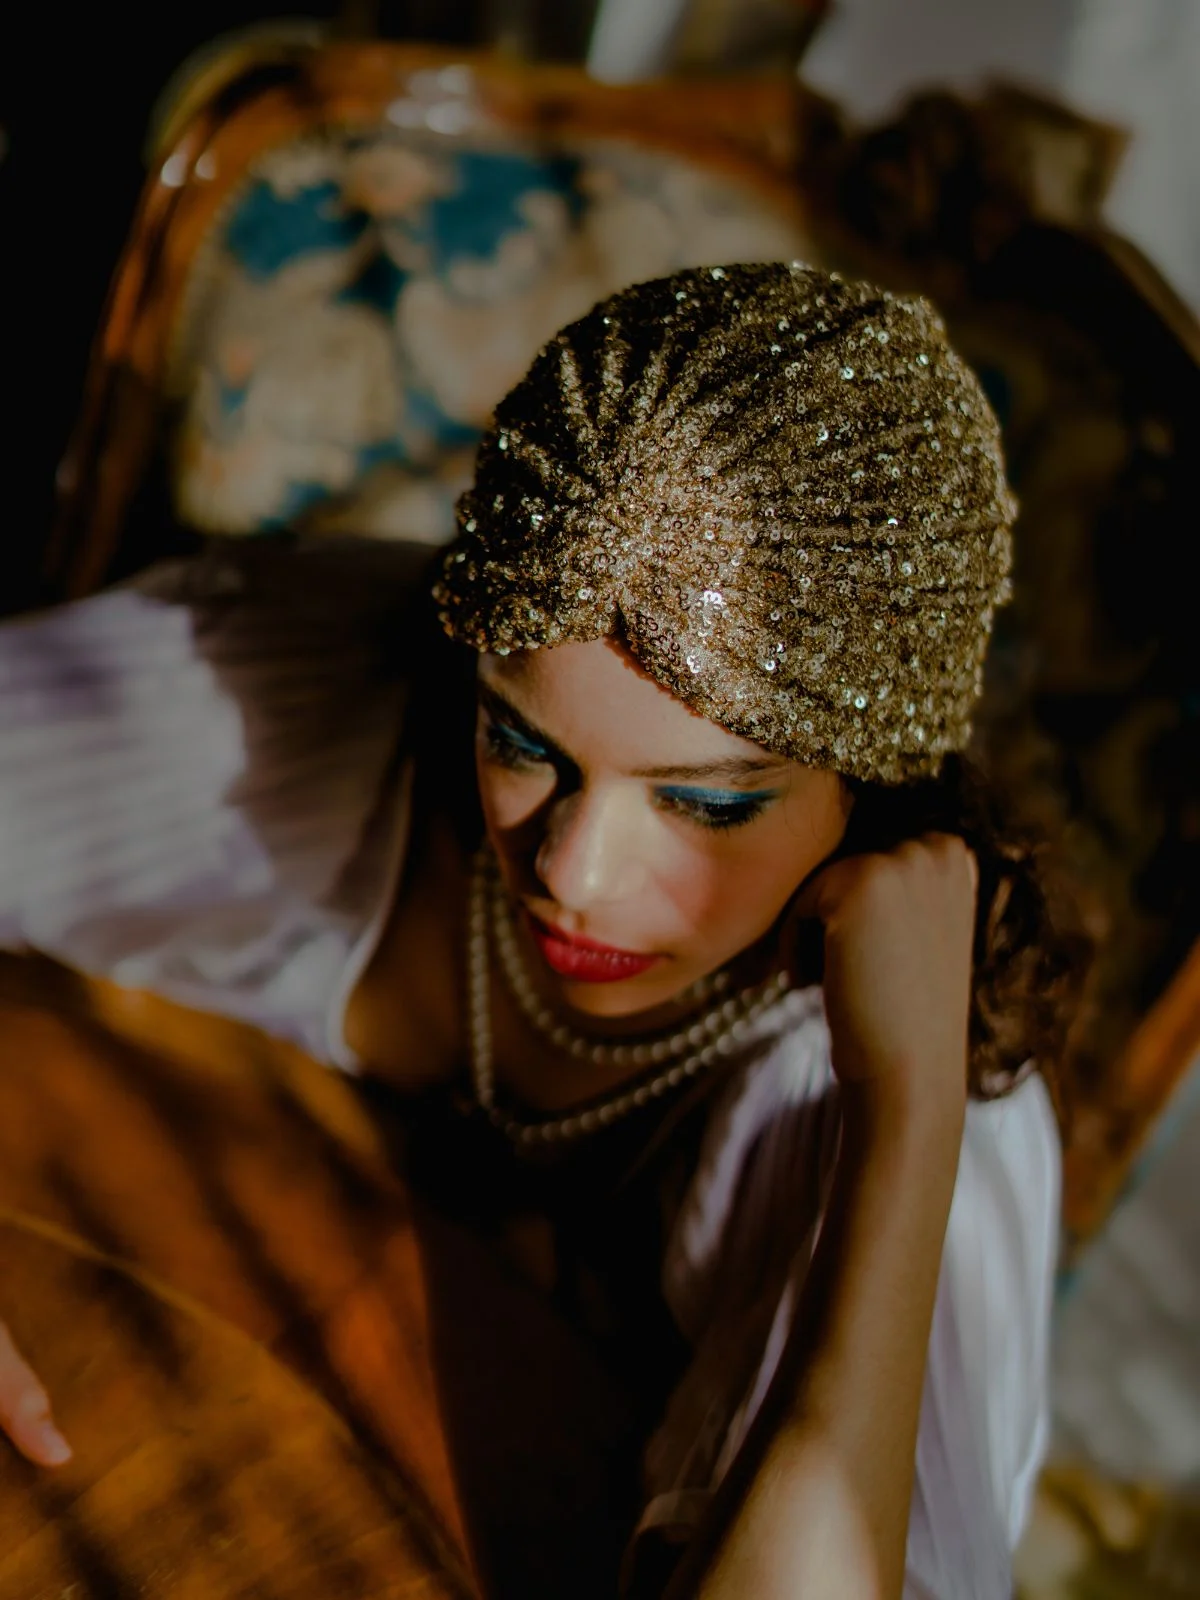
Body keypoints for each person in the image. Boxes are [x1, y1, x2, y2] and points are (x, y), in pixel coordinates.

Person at [0, 263, 1085, 1598]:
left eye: (703, 805)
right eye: (521, 741)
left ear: (878, 785)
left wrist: (907, 1119)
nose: (573, 869)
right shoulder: (321, 697)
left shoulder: (902, 1090)